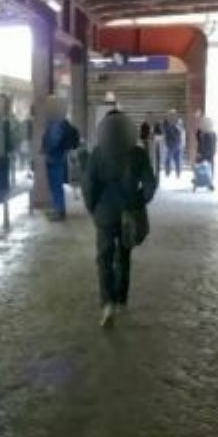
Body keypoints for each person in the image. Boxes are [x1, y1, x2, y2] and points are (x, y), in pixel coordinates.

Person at [84, 111, 157, 328]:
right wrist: (139, 201)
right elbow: (150, 184)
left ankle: (107, 302)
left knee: (104, 257)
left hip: (105, 213)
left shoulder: (97, 153)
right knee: (124, 256)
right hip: (129, 212)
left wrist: (93, 208)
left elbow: (88, 186)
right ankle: (121, 299)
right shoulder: (138, 154)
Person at [40, 97, 79, 221]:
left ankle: (59, 211)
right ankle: (58, 209)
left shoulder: (56, 124)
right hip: (59, 157)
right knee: (56, 185)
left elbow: (54, 141)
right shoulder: (60, 122)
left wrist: (46, 151)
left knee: (55, 185)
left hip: (54, 158)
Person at [195, 117, 217, 191]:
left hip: (206, 154)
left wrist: (201, 153)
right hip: (206, 154)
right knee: (205, 168)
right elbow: (199, 141)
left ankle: (208, 183)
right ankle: (206, 183)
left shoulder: (209, 134)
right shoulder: (209, 133)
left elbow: (210, 144)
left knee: (205, 169)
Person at [163, 111, 185, 178]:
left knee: (174, 159)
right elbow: (165, 130)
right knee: (172, 159)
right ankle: (170, 173)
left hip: (175, 143)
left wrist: (174, 125)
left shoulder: (178, 122)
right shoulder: (167, 122)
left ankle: (175, 173)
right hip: (172, 143)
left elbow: (180, 131)